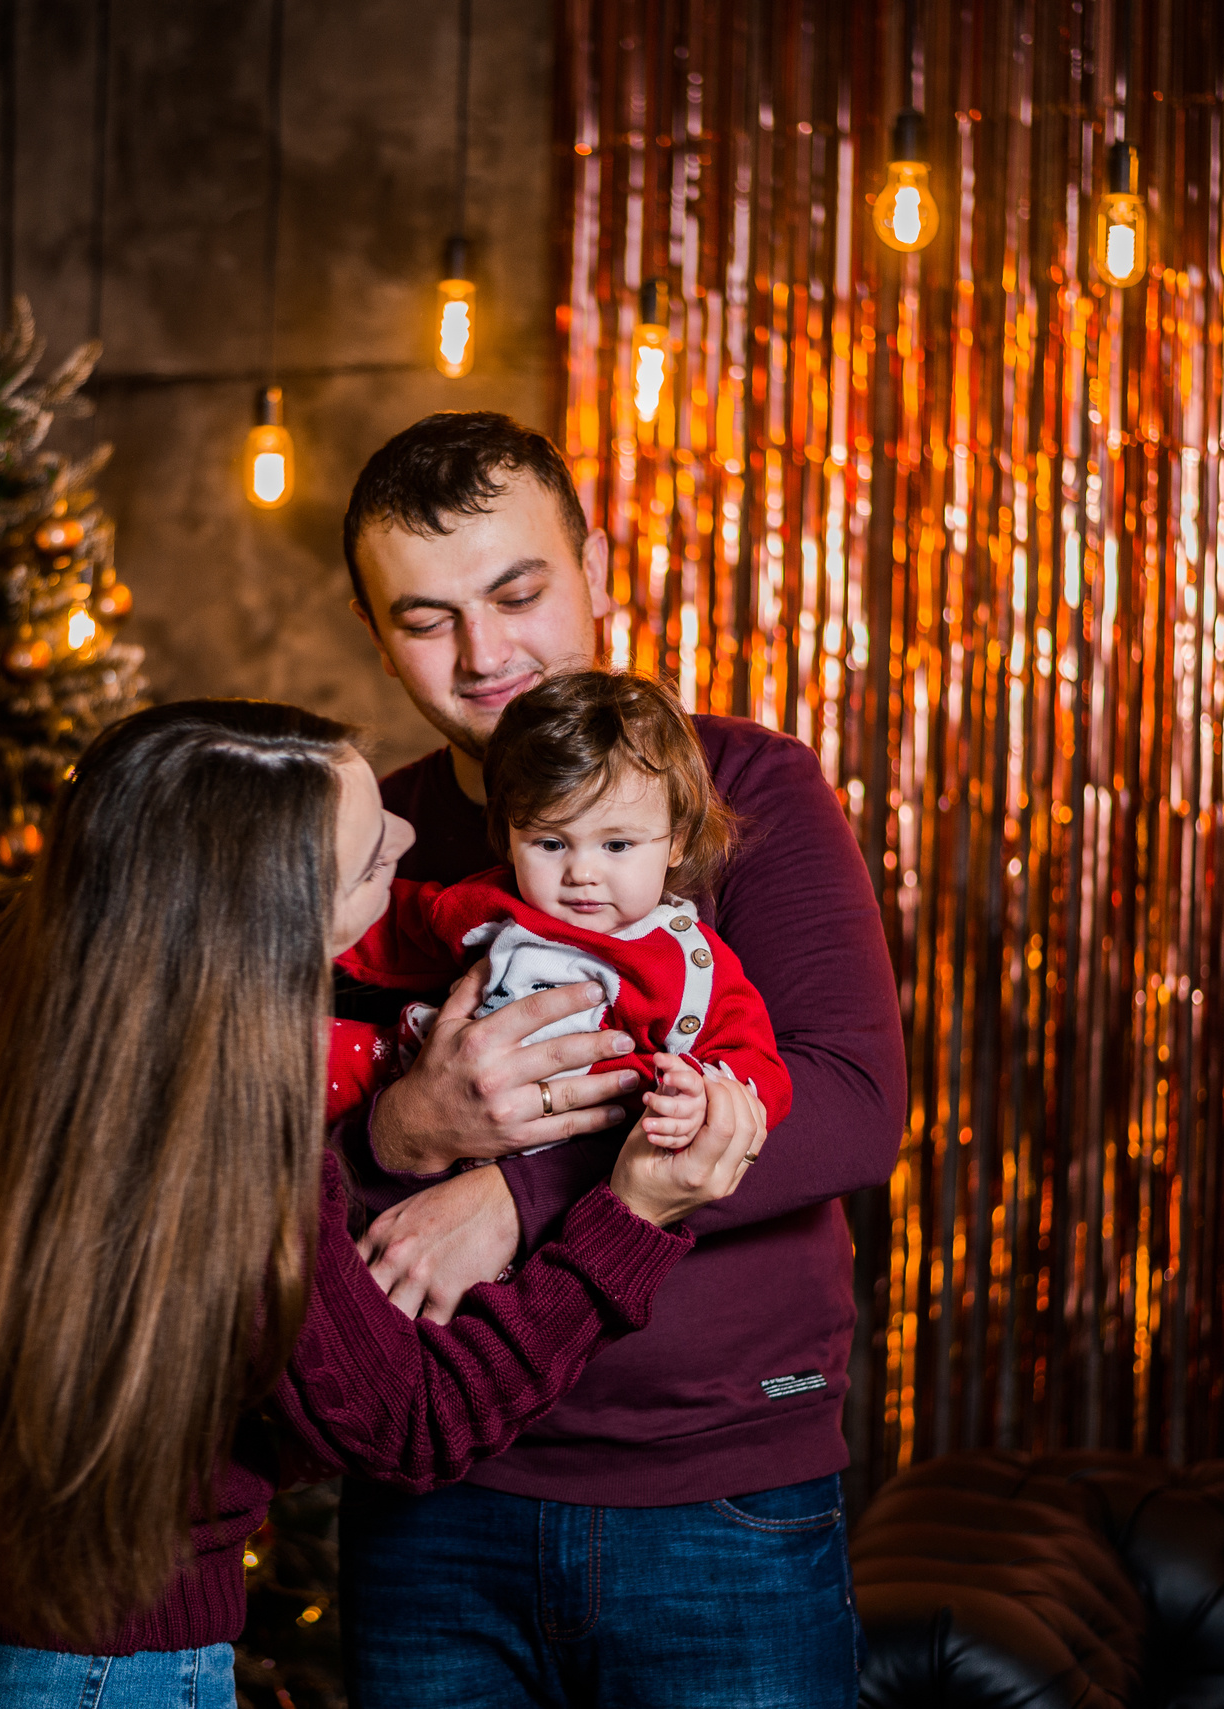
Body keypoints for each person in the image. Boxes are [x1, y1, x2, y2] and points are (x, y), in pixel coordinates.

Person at [0, 699, 767, 1709]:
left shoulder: (59, 992)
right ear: (275, 927)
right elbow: (414, 1420)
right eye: (373, 858)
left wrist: (393, 1138)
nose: (413, 839)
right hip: (91, 1655)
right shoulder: (222, 1120)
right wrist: (628, 1214)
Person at [333, 414, 906, 1709]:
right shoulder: (372, 838)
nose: (485, 655)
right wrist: (405, 1135)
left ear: (595, 571)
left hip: (716, 1500)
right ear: (375, 633)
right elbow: (275, 1140)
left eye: (519, 592)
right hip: (433, 1497)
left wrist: (516, 1194)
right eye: (425, 618)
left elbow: (853, 1109)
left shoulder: (746, 788)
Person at [334, 668, 792, 1152]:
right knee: (309, 1058)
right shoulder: (493, 905)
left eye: (616, 844)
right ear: (510, 838)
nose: (581, 873)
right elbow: (395, 925)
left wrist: (700, 1099)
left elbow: (755, 1063)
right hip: (435, 1097)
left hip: (584, 1152)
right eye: (551, 843)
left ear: (676, 841)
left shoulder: (688, 965)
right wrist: (309, 910)